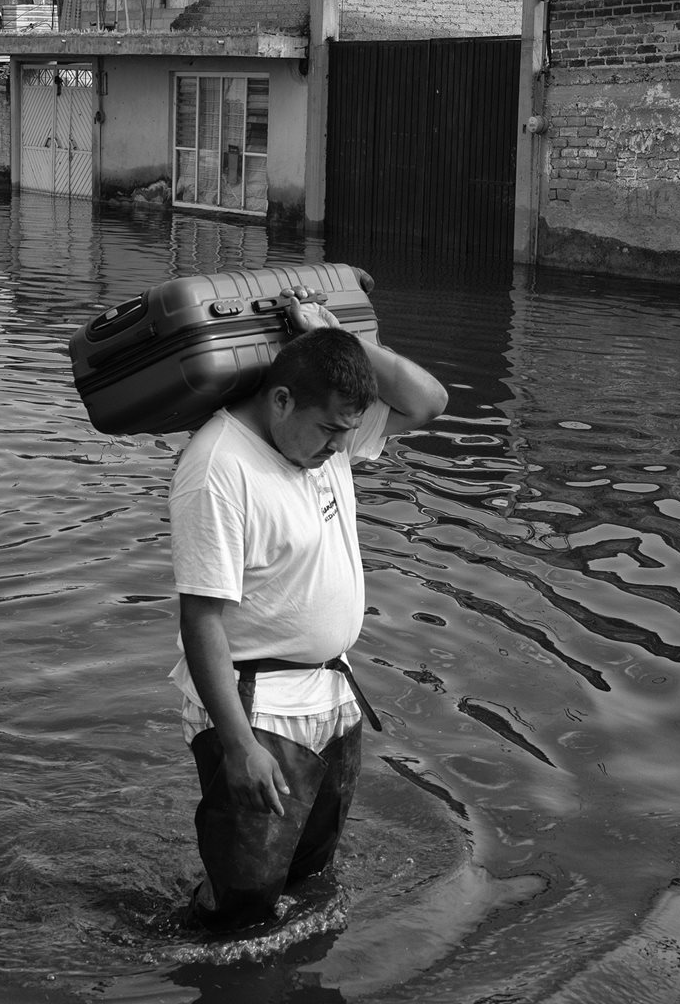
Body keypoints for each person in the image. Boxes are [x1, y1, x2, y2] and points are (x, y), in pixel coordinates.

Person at [169, 300, 447, 930]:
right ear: (282, 401)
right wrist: (239, 746)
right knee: (243, 905)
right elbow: (201, 619)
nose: (341, 448)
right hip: (260, 707)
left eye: (349, 432)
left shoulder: (324, 438)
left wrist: (338, 339)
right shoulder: (220, 468)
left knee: (310, 878)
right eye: (329, 431)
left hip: (332, 693)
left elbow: (429, 401)